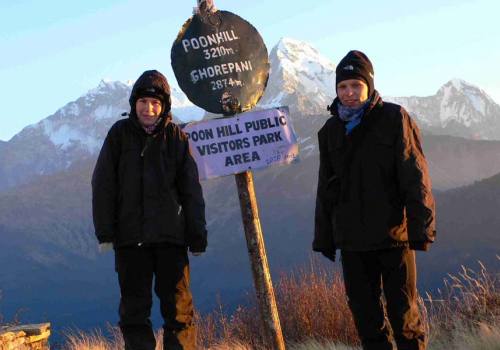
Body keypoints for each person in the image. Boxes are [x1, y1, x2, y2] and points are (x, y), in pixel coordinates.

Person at [313, 51, 435, 350]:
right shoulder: (330, 131)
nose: (349, 93)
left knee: (405, 320)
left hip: (394, 237)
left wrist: (421, 228)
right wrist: (325, 238)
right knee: (366, 323)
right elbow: (325, 189)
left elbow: (415, 175)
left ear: (368, 86)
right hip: (353, 242)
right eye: (343, 87)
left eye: (356, 85)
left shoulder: (394, 118)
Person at [92, 70, 207, 350]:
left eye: (155, 103)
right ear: (134, 103)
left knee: (179, 313)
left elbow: (191, 190)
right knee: (133, 314)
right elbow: (103, 183)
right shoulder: (119, 135)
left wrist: (197, 235)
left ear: (164, 106)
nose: (148, 108)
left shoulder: (177, 138)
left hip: (170, 240)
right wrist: (105, 233)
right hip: (130, 241)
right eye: (143, 101)